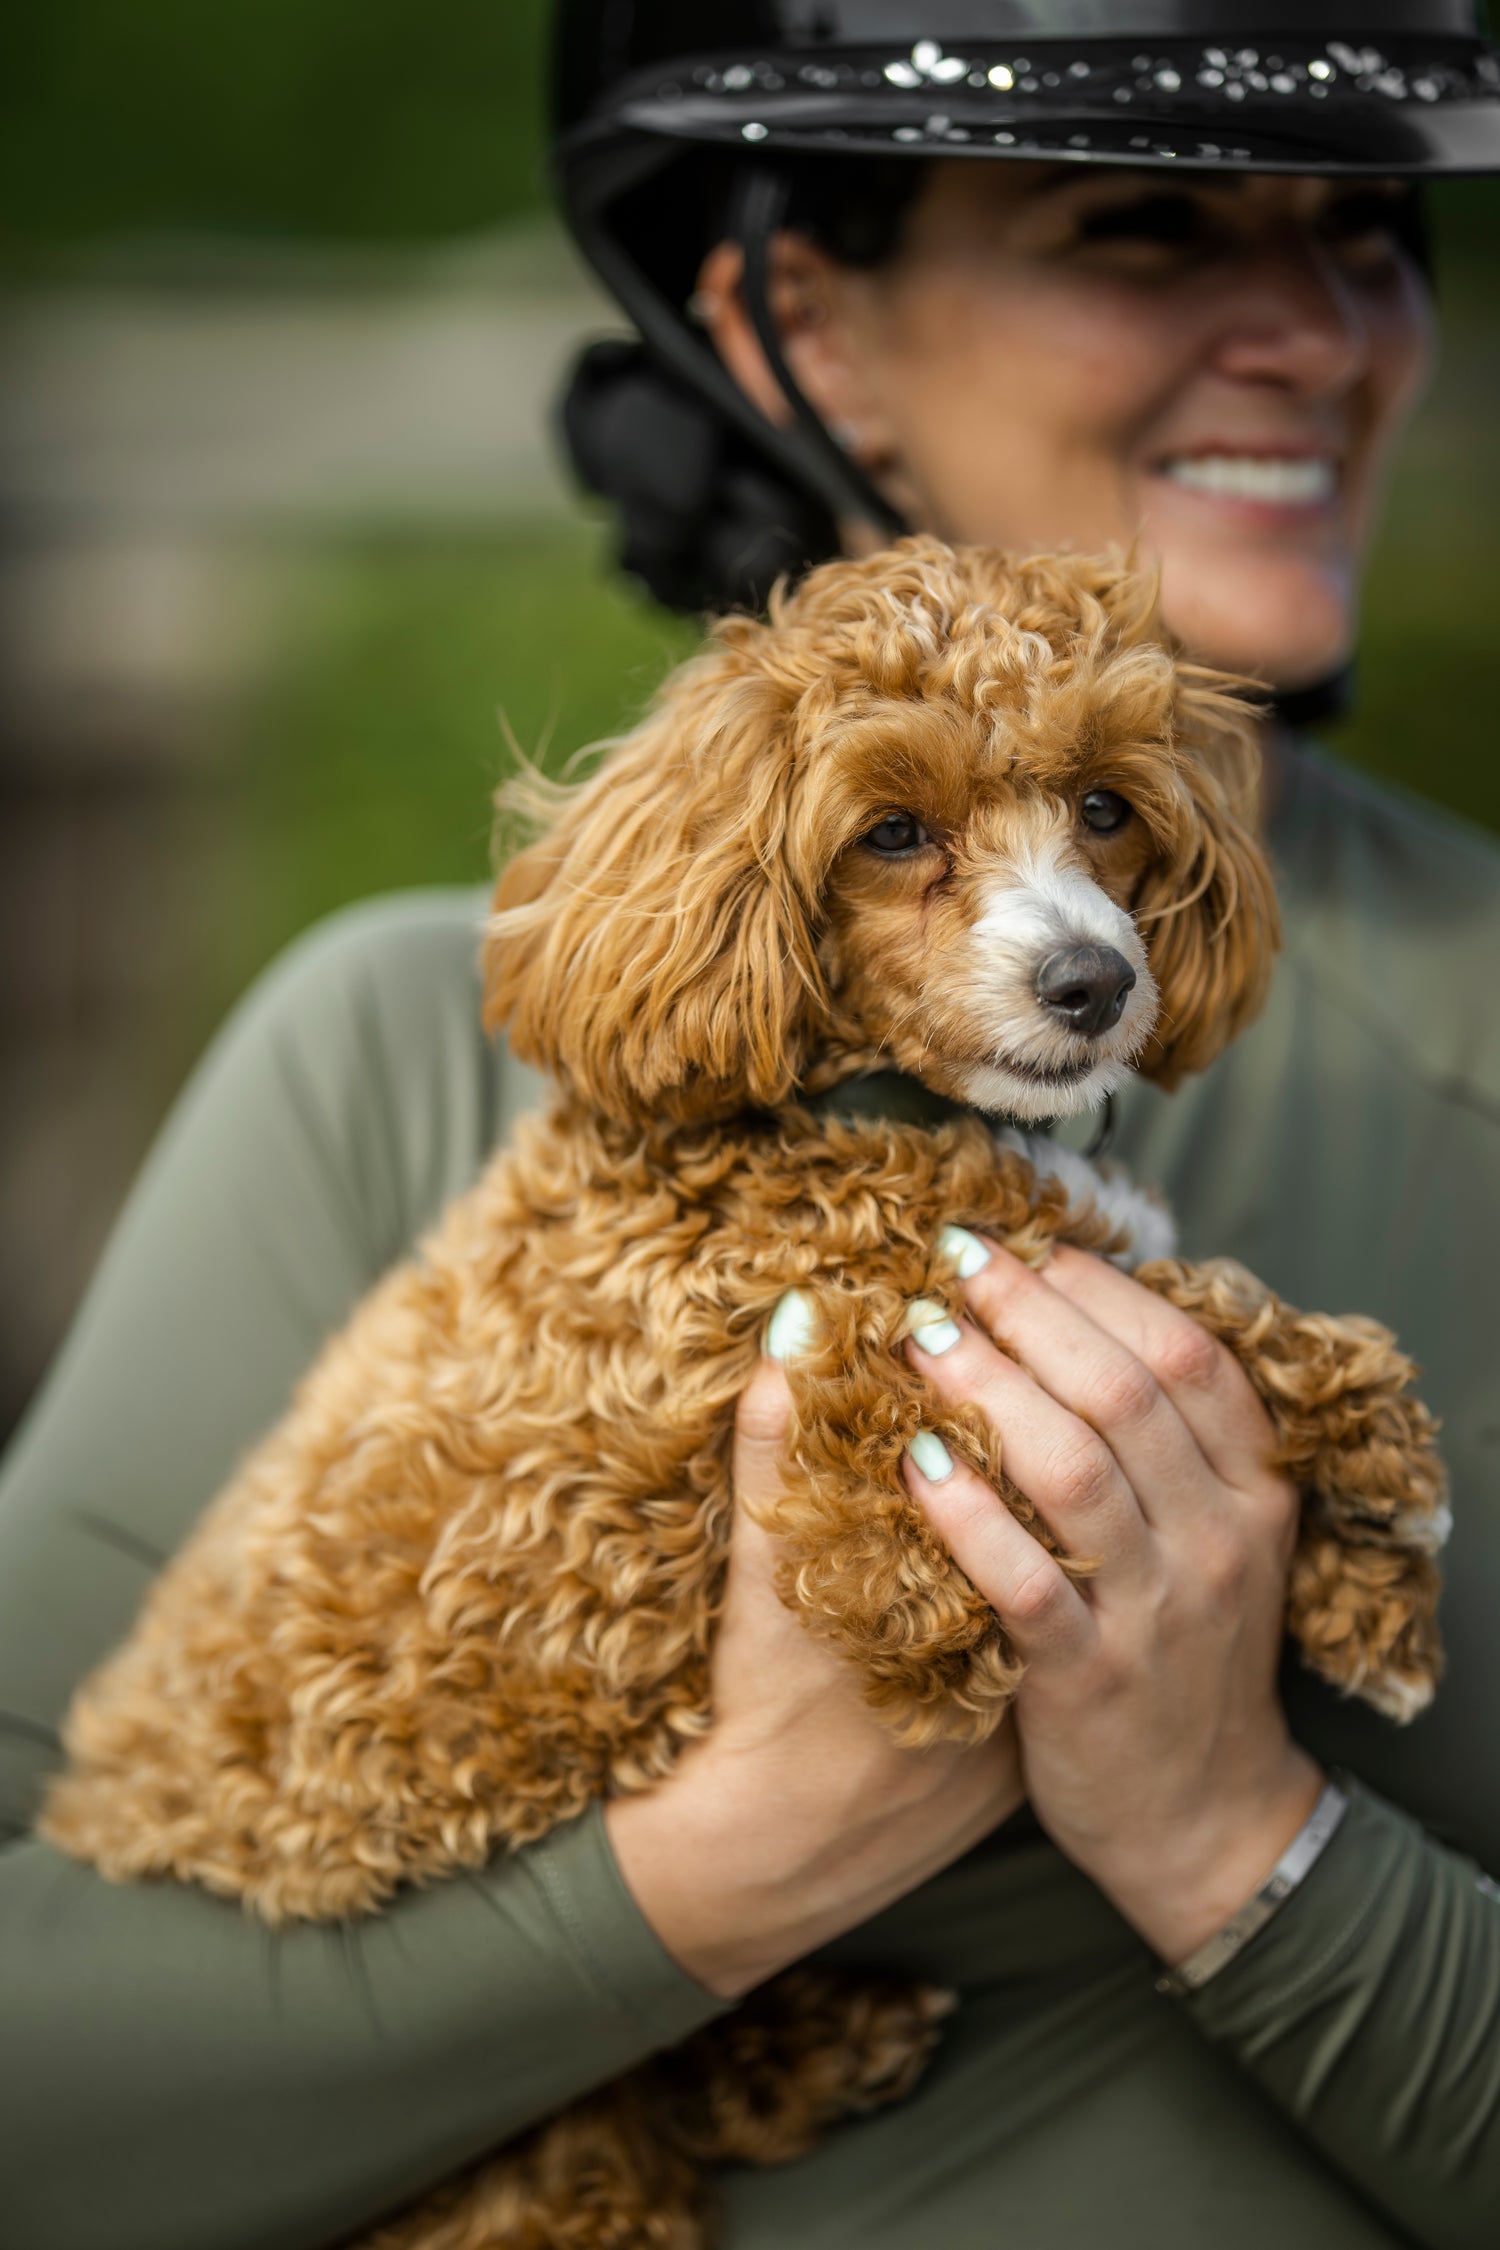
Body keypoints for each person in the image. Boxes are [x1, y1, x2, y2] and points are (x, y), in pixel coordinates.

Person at [1, 5, 1497, 2245]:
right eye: (1147, 223)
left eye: (1369, 231)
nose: (1307, 326)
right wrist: (721, 1868)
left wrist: (1229, 1838)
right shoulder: (398, 1050)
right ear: (801, 313)